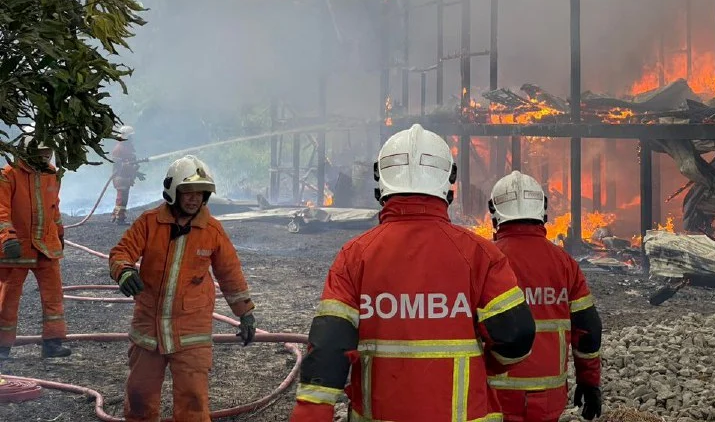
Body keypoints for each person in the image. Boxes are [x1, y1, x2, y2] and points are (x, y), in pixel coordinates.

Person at [289, 123, 536, 422]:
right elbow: (517, 334)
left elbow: (329, 344)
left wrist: (312, 412)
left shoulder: (355, 255)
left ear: (380, 181)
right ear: (449, 181)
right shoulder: (480, 253)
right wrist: (490, 365)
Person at [109, 155, 257, 422]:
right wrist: (124, 271)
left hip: (192, 330)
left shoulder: (211, 230)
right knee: (140, 395)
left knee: (193, 401)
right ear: (172, 191)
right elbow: (122, 252)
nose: (194, 199)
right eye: (188, 192)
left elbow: (230, 273)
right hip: (149, 327)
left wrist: (245, 313)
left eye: (200, 193)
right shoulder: (149, 222)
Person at [487, 171, 603, 422]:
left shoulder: (486, 259)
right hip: (550, 396)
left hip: (496, 395)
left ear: (495, 212)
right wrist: (590, 382)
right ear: (542, 210)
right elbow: (589, 330)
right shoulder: (564, 263)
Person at [0, 135, 71, 361]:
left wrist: (59, 233)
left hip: (46, 247)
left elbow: (54, 208)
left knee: (54, 296)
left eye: (47, 152)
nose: (44, 156)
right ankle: (2, 347)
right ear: (26, 151)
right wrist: (6, 237)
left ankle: (53, 343)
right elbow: (0, 210)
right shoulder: (8, 175)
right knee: (8, 298)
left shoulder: (52, 174)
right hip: (16, 249)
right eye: (40, 152)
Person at [111, 124, 143, 225]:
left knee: (123, 198)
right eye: (130, 136)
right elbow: (118, 164)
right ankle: (119, 218)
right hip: (120, 176)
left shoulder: (127, 147)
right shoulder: (119, 148)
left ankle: (117, 216)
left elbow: (130, 161)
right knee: (121, 198)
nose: (132, 138)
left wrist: (137, 173)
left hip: (126, 176)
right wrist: (129, 165)